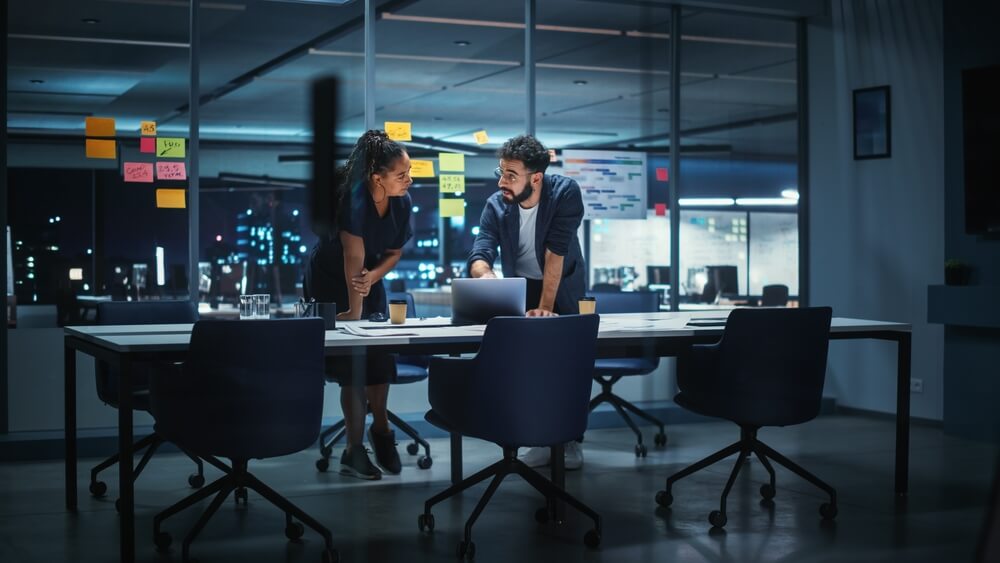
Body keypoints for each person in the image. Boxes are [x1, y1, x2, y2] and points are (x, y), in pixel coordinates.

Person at [466, 134, 587, 469]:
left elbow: (555, 254)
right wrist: (486, 277)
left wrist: (547, 307)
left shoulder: (564, 194)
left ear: (536, 177)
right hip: (520, 288)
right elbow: (482, 247)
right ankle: (535, 435)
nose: (503, 181)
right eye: (501, 172)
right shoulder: (497, 204)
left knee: (563, 366)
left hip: (561, 286)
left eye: (511, 175)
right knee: (525, 366)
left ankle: (569, 441)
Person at [304, 130, 413, 480]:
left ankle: (381, 430)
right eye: (402, 174)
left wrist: (374, 278)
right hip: (333, 280)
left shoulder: (402, 201)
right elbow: (353, 254)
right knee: (352, 364)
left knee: (379, 359)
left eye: (409, 172)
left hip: (369, 278)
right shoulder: (352, 199)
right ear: (376, 177)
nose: (409, 180)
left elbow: (393, 252)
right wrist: (353, 311)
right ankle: (353, 451)